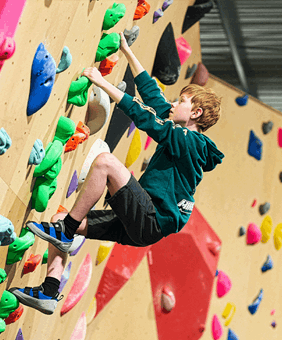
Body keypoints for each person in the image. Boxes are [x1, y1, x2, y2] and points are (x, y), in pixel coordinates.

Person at [9, 32, 224, 314]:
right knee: (60, 218)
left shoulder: (190, 142)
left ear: (195, 113)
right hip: (140, 224)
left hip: (152, 219)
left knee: (105, 163)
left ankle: (67, 231)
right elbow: (153, 98)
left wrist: (102, 82)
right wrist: (126, 51)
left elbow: (146, 117)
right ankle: (48, 291)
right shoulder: (180, 134)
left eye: (181, 101)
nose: (173, 104)